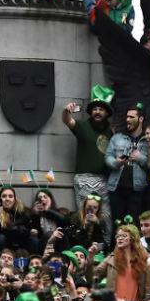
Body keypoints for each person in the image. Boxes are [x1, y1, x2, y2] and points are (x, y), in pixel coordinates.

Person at [62, 85, 114, 236]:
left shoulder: (111, 131)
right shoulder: (83, 126)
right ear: (91, 112)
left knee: (106, 217)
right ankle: (84, 245)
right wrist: (66, 111)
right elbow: (68, 121)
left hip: (104, 180)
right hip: (84, 179)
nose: (97, 112)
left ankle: (104, 245)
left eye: (101, 109)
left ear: (106, 112)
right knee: (84, 217)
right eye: (95, 109)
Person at [104, 105, 150, 224]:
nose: (128, 119)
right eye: (127, 117)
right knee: (117, 224)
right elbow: (107, 157)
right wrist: (117, 162)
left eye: (131, 117)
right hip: (117, 189)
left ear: (140, 119)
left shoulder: (147, 140)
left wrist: (141, 159)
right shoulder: (117, 138)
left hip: (137, 190)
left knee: (133, 225)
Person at [93, 224, 150, 301]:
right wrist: (90, 258)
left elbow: (147, 291)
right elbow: (93, 276)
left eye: (124, 236)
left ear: (132, 239)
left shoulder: (144, 260)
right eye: (118, 236)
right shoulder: (111, 260)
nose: (120, 238)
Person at [0, 187, 32, 255]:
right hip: (2, 246)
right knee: (0, 238)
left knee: (33, 239)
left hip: (19, 245)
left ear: (14, 200)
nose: (7, 199)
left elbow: (25, 231)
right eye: (4, 196)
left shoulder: (21, 212)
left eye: (10, 196)